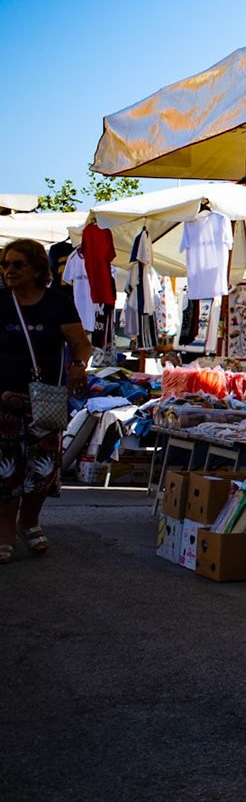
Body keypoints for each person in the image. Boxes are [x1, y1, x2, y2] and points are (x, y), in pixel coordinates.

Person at [0, 239, 91, 563]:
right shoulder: (0, 301)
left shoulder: (57, 303)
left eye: (17, 265)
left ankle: (29, 521)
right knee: (5, 471)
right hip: (3, 400)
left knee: (41, 468)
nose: (9, 270)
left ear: (38, 269)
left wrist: (78, 366)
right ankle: (6, 531)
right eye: (5, 264)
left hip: (45, 399)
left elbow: (81, 343)